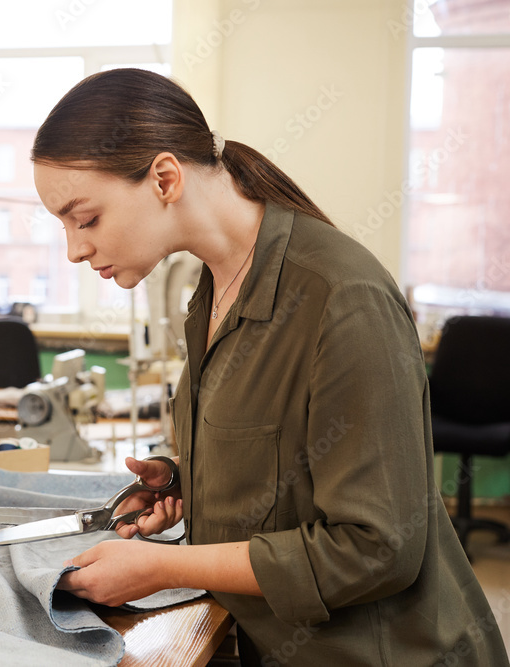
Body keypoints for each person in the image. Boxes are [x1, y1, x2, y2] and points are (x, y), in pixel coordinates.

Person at [32, 69, 508, 665]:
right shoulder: (215, 291)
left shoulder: (342, 298)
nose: (74, 250)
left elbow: (377, 549)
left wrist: (163, 567)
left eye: (85, 219)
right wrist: (189, 481)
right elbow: (294, 462)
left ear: (164, 178)